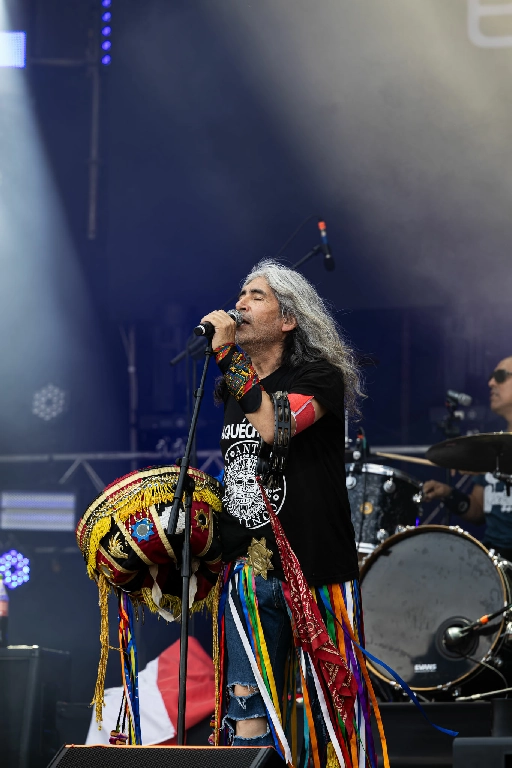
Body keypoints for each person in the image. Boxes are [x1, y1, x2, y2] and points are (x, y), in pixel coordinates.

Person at [200, 260, 385, 768]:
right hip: (250, 572)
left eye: (256, 295)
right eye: (241, 293)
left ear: (288, 319)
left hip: (315, 568)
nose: (240, 303)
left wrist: (226, 355)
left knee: (334, 713)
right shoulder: (233, 387)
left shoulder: (319, 376)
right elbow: (240, 473)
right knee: (245, 708)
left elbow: (275, 427)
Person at [423, 357, 512, 559]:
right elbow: (478, 511)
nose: (491, 383)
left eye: (500, 376)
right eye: (491, 377)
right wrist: (448, 494)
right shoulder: (493, 445)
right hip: (494, 558)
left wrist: (495, 466)